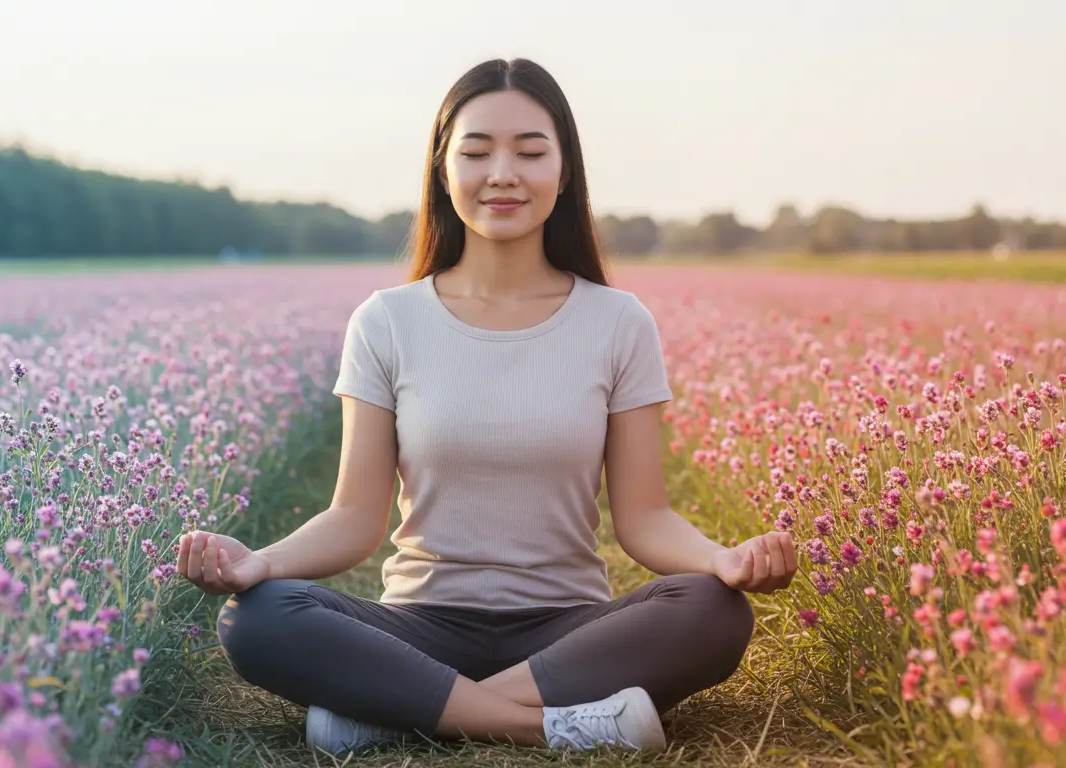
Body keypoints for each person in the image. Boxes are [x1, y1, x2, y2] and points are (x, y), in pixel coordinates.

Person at [176, 57, 798, 756]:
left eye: (530, 152)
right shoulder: (386, 321)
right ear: (443, 169)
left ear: (564, 173)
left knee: (713, 608)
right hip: (418, 626)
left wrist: (726, 560)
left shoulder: (619, 323)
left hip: (566, 628)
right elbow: (354, 520)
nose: (503, 172)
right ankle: (556, 725)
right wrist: (260, 563)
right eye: (476, 152)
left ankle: (396, 710)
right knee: (257, 618)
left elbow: (645, 519)